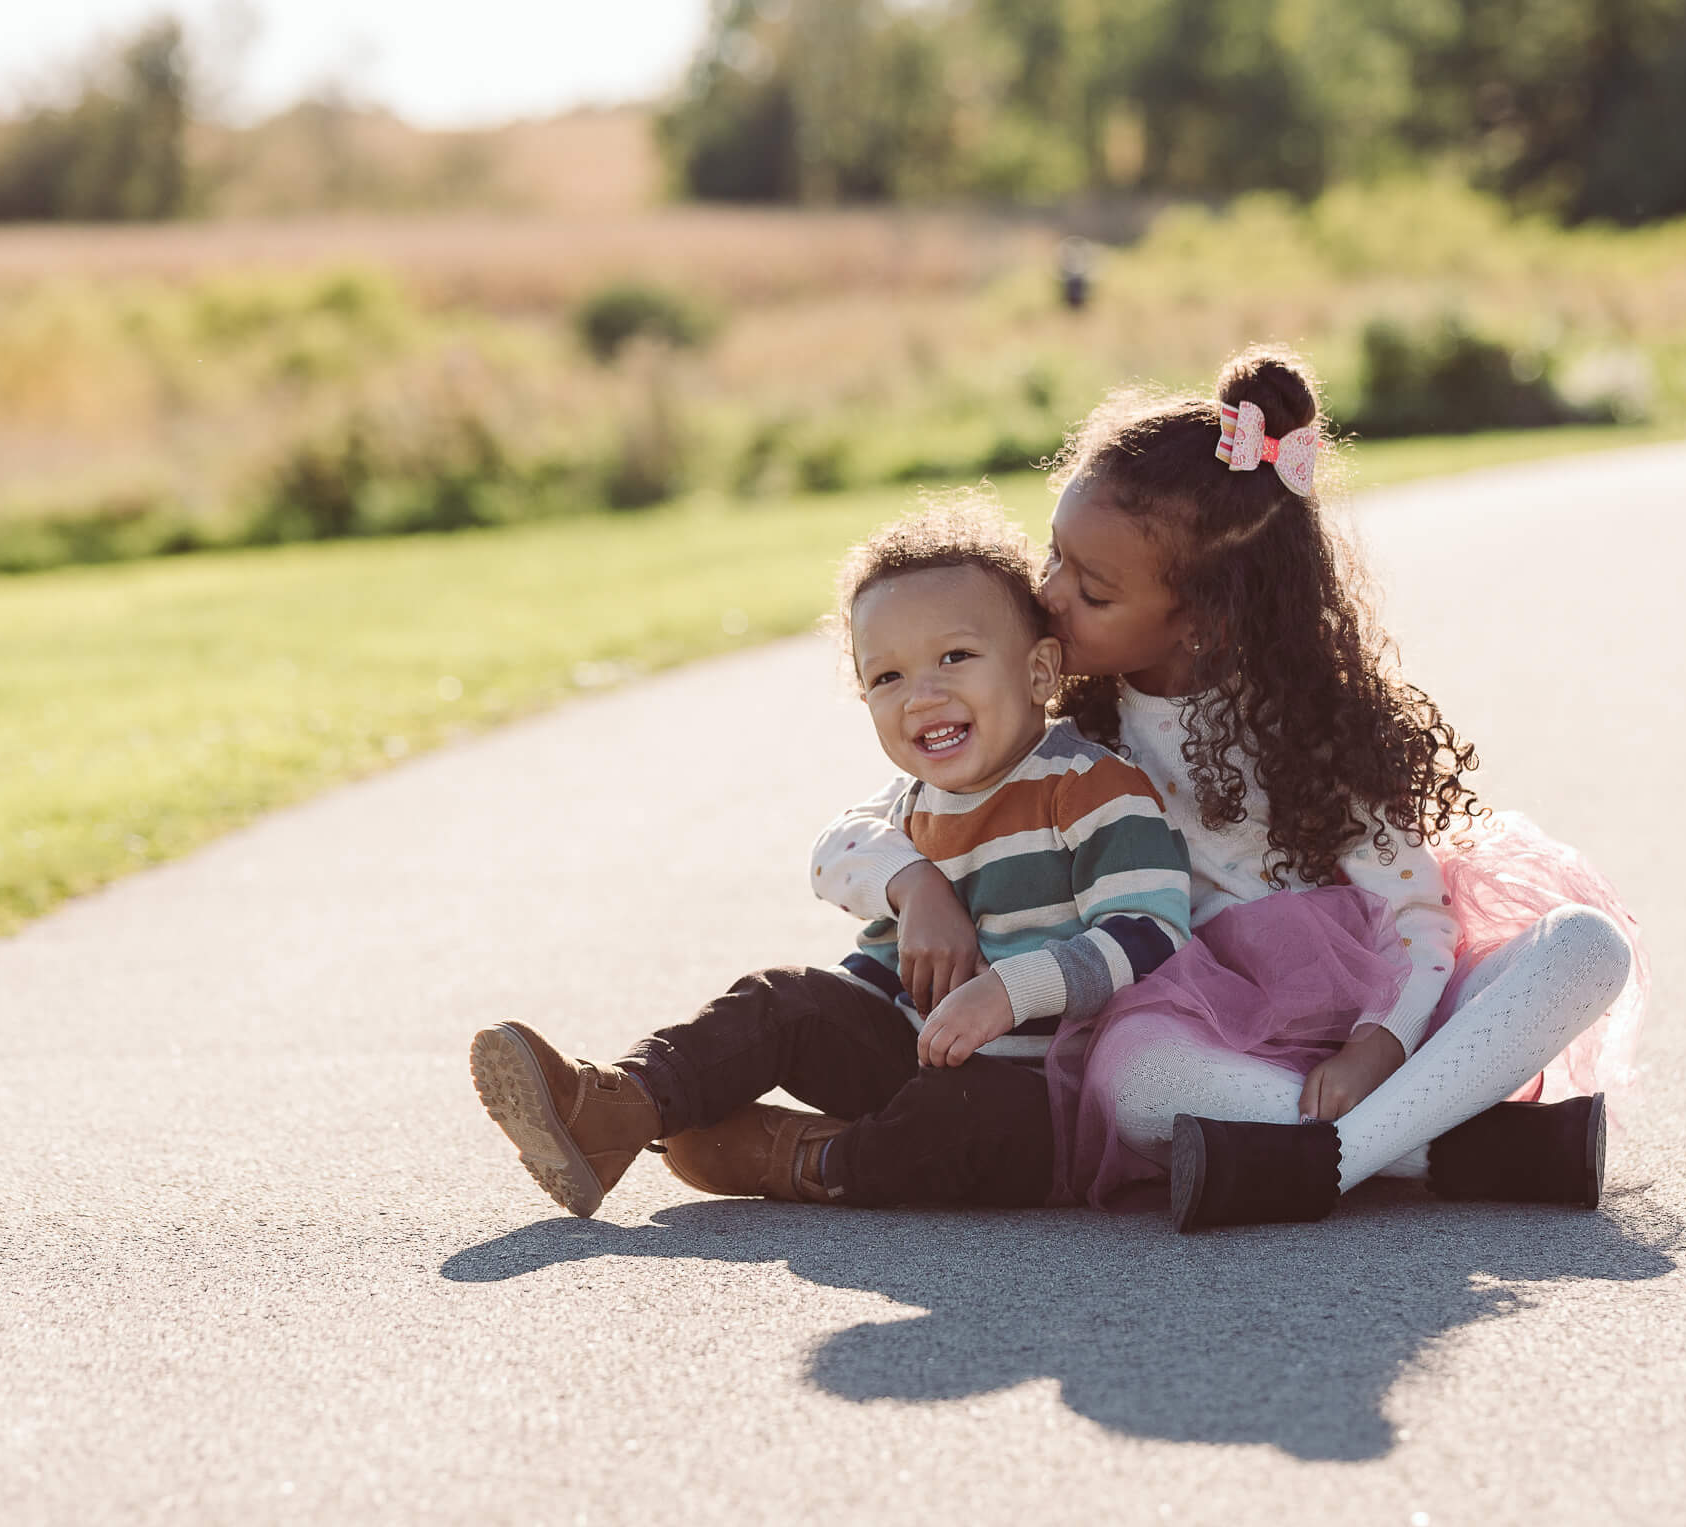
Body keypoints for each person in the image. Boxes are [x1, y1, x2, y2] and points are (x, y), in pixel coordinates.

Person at [812, 349, 1647, 1231]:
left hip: (1382, 1008)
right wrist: (917, 884)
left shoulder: (1314, 727)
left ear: (1203, 619)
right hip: (1210, 1026)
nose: (1047, 596)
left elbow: (1417, 917)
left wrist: (1378, 1044)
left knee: (1587, 946)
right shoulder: (1072, 736)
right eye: (1054, 557)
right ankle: (1446, 1147)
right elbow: (879, 818)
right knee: (1135, 1084)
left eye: (1090, 591)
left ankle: (1326, 1163)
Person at [469, 494, 1192, 1218]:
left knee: (963, 1122)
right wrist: (915, 886)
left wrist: (1010, 990)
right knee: (781, 996)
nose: (923, 695)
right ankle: (619, 1105)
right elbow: (833, 850)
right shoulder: (912, 800)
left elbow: (1151, 934)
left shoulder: (1089, 786)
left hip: (1037, 1091)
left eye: (956, 656)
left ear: (1039, 673)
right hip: (907, 1046)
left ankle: (805, 1157)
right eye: (888, 677)